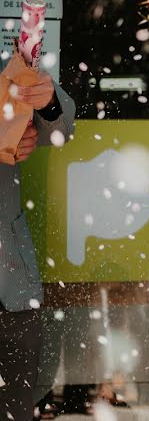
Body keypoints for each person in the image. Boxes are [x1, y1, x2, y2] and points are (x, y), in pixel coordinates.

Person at [0, 69, 75, 421]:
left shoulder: (7, 65)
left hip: (8, 282)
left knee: (15, 410)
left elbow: (61, 129)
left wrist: (45, 103)